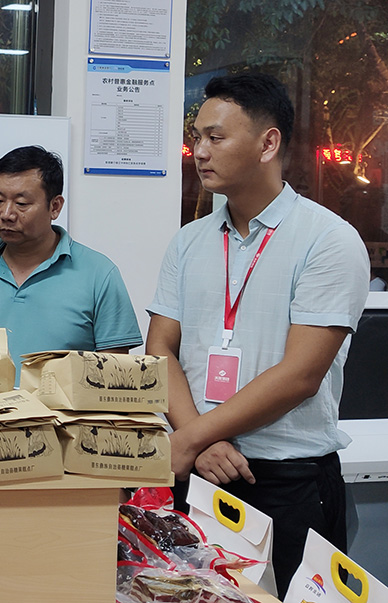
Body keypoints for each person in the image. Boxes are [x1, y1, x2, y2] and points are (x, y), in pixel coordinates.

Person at [146, 72, 369, 598]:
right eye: (196, 137)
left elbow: (300, 375)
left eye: (215, 137)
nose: (199, 151)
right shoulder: (188, 242)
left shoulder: (328, 240)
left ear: (268, 143)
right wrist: (199, 441)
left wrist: (190, 438)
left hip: (286, 483)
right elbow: (160, 349)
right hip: (200, 471)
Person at [0, 145, 143, 378]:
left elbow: (113, 376)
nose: (6, 214)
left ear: (55, 207)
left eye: (21, 204)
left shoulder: (99, 275)